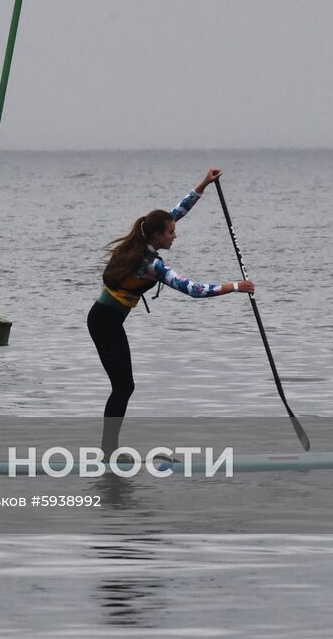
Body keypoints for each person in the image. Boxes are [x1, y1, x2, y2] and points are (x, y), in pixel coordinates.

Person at [89, 168, 254, 457]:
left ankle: (109, 450)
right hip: (105, 323)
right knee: (124, 386)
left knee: (124, 386)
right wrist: (235, 286)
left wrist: (204, 184)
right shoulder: (152, 265)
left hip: (106, 320)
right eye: (171, 232)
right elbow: (193, 290)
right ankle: (108, 452)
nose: (175, 236)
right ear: (158, 235)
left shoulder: (143, 238)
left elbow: (178, 210)